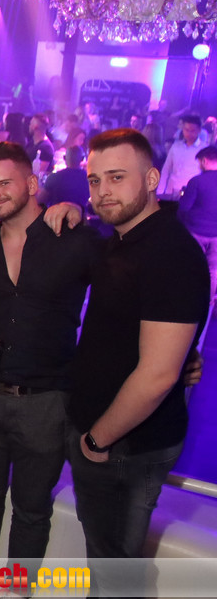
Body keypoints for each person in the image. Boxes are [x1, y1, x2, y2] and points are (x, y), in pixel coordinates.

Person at [0, 142, 100, 570]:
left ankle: (17, 588)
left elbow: (125, 295)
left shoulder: (73, 239)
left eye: (4, 183)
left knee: (32, 508)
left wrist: (78, 210)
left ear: (31, 184)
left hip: (45, 402)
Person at [68, 128, 209, 594]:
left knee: (114, 570)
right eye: (94, 180)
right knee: (106, 559)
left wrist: (97, 439)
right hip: (113, 438)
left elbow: (157, 375)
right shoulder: (124, 238)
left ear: (151, 179)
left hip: (126, 446)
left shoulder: (169, 253)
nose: (102, 191)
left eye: (116, 177)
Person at [178, 145, 217, 305]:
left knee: (192, 266)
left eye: (199, 162)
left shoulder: (196, 181)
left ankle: (189, 300)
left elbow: (184, 208)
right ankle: (208, 302)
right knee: (213, 270)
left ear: (204, 161)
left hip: (195, 231)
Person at [158, 115, 205, 199]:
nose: (189, 133)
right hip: (171, 190)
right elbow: (166, 169)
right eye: (186, 130)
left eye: (192, 131)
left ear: (199, 130)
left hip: (191, 192)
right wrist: (160, 191)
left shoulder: (204, 148)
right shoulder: (176, 146)